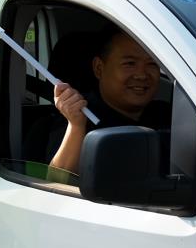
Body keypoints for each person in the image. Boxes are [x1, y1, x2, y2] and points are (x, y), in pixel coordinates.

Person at [49, 29, 170, 176]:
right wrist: (76, 126)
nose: (141, 75)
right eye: (130, 63)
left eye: (152, 64)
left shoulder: (169, 116)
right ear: (99, 68)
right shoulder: (78, 116)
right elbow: (57, 181)